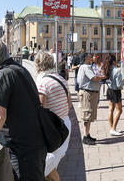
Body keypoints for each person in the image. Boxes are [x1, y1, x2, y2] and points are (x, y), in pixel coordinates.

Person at [0, 40, 47, 180]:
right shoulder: (19, 68)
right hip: (36, 144)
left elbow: (0, 117)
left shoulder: (2, 75)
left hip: (23, 150)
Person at [35, 51, 72, 181]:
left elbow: (41, 112)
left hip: (52, 132)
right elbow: (69, 105)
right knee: (51, 167)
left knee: (47, 169)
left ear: (37, 65)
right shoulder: (61, 78)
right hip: (64, 126)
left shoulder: (42, 83)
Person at [77, 53, 106, 145]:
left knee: (89, 115)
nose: (92, 57)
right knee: (87, 114)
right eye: (90, 56)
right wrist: (103, 77)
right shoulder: (86, 67)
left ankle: (88, 134)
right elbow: (94, 78)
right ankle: (85, 137)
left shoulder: (86, 66)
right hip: (88, 94)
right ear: (86, 58)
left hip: (90, 93)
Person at [102, 54, 124, 136]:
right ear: (114, 61)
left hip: (109, 90)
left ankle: (112, 128)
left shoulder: (107, 69)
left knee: (111, 109)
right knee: (119, 110)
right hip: (116, 91)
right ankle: (113, 128)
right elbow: (119, 85)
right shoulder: (117, 70)